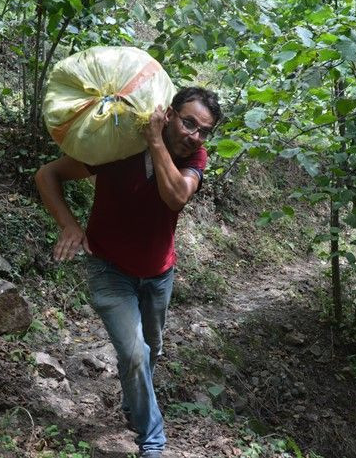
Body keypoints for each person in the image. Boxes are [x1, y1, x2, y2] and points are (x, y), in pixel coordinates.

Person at [35, 87, 221, 458]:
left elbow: (176, 196)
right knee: (135, 353)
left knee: (152, 349)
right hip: (109, 267)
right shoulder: (119, 145)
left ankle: (132, 403)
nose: (194, 136)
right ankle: (153, 443)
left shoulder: (194, 156)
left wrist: (156, 142)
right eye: (189, 123)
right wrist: (69, 225)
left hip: (159, 272)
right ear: (168, 114)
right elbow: (47, 174)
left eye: (204, 131)